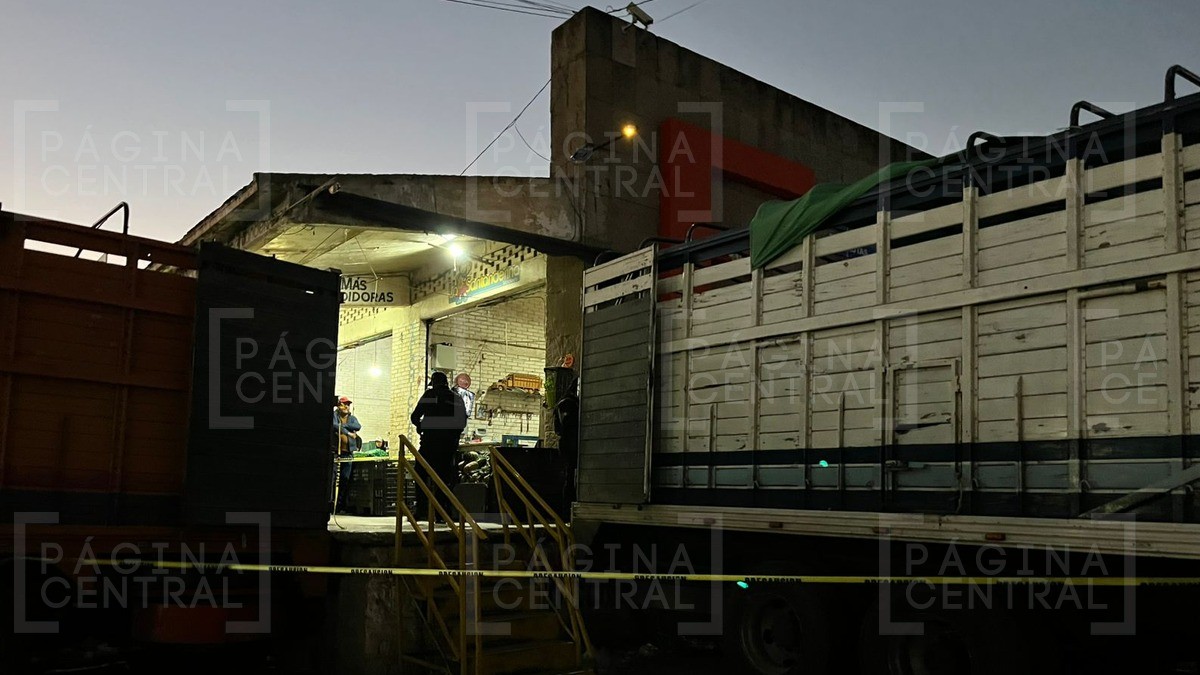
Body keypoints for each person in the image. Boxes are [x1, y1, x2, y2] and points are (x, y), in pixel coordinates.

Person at [409, 372, 468, 522]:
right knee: (443, 478)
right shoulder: (457, 398)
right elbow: (462, 423)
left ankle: (422, 510)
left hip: (430, 443)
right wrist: (452, 435)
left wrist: (421, 426)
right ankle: (441, 513)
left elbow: (415, 416)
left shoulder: (430, 394)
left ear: (434, 382)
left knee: (421, 474)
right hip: (448, 446)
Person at [331, 396, 362, 513]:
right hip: (335, 452)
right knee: (332, 479)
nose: (347, 407)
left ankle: (340, 505)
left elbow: (358, 426)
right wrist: (348, 433)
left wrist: (342, 427)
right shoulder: (335, 416)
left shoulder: (352, 418)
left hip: (347, 453)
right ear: (339, 406)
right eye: (344, 404)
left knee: (345, 479)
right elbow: (334, 425)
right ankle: (331, 504)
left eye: (348, 404)